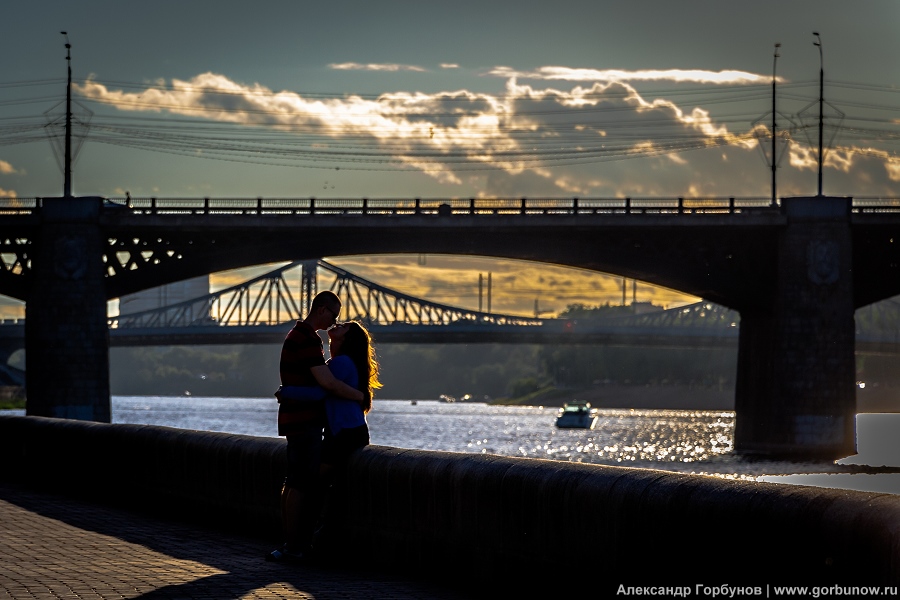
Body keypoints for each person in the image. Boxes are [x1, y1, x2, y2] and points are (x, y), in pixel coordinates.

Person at [267, 291, 365, 563]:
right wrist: (360, 396)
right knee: (301, 485)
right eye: (334, 315)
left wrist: (286, 393)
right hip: (304, 421)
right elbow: (327, 386)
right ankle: (294, 546)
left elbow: (321, 385)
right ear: (322, 310)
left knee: (293, 483)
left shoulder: (296, 335)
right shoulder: (308, 339)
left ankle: (290, 544)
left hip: (294, 419)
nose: (335, 321)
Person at [275, 320, 381, 556]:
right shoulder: (339, 362)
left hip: (345, 433)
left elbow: (320, 391)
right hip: (346, 431)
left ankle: (304, 543)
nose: (337, 323)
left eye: (343, 325)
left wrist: (286, 392)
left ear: (346, 338)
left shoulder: (341, 363)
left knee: (312, 486)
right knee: (321, 487)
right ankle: (308, 542)